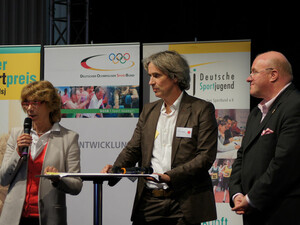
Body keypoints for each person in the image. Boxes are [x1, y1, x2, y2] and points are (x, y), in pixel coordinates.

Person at [101, 50, 217, 225]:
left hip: (183, 203)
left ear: (175, 76)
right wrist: (114, 171)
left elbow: (205, 157)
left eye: (156, 75)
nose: (151, 82)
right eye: (150, 76)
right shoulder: (149, 110)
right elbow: (133, 148)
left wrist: (170, 176)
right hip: (149, 202)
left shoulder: (201, 109)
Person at [229, 51, 300, 225]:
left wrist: (252, 198)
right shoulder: (256, 113)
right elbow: (242, 156)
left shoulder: (294, 105)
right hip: (252, 212)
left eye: (254, 72)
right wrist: (237, 194)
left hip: (281, 212)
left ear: (273, 75)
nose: (248, 78)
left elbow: (285, 163)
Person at [0, 81, 82, 225]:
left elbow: (76, 185)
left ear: (50, 104)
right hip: (14, 218)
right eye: (26, 103)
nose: (30, 108)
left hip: (49, 218)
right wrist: (17, 153)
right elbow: (3, 178)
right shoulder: (16, 134)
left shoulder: (68, 138)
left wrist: (59, 179)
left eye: (35, 103)